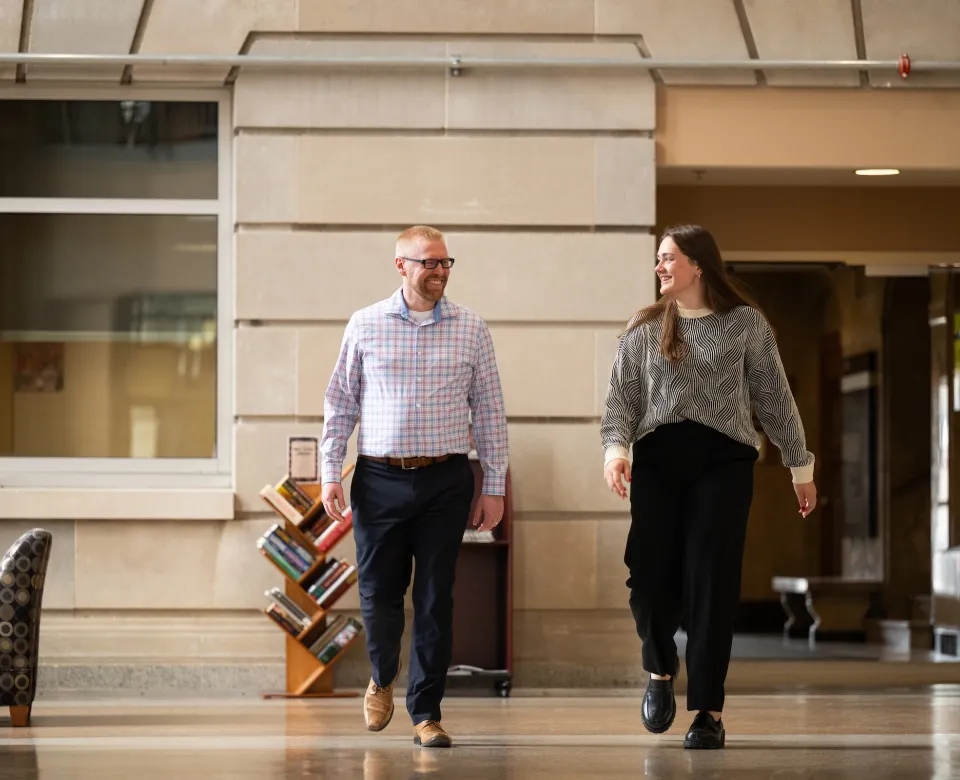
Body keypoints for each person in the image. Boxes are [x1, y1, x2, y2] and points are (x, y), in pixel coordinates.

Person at [600, 224, 817, 750]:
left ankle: (708, 713)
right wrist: (616, 450)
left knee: (711, 583)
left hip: (723, 465)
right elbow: (621, 400)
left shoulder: (745, 325)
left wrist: (800, 467)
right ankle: (659, 669)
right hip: (657, 464)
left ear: (698, 265)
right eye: (657, 258)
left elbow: (774, 398)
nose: (660, 267)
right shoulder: (644, 327)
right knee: (648, 579)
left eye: (668, 257)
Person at [319, 225, 508, 749]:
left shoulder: (471, 328)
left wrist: (493, 485)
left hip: (446, 480)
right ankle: (381, 676)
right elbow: (341, 404)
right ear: (400, 265)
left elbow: (490, 411)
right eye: (429, 262)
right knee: (380, 595)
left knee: (434, 599)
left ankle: (426, 712)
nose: (439, 271)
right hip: (378, 480)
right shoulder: (365, 324)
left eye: (446, 262)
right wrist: (329, 471)